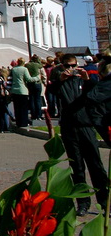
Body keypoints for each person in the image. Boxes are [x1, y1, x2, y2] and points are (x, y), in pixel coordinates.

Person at [55, 53, 109, 216]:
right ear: (62, 66)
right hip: (69, 128)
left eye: (73, 66)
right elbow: (51, 90)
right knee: (77, 167)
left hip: (85, 126)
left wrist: (87, 79)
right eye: (67, 66)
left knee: (96, 165)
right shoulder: (61, 82)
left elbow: (95, 93)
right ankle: (83, 202)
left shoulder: (83, 80)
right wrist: (61, 79)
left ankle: (105, 201)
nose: (71, 69)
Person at [10, 57, 38, 127]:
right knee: (23, 108)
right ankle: (24, 122)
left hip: (14, 90)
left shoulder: (13, 69)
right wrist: (37, 78)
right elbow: (28, 79)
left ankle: (18, 122)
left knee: (17, 108)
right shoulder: (24, 69)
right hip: (22, 90)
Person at [25, 54, 46, 121]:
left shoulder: (27, 65)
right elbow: (43, 73)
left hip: (30, 83)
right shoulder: (38, 65)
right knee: (38, 99)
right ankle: (39, 115)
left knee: (31, 99)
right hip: (37, 83)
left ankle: (33, 114)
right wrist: (44, 82)